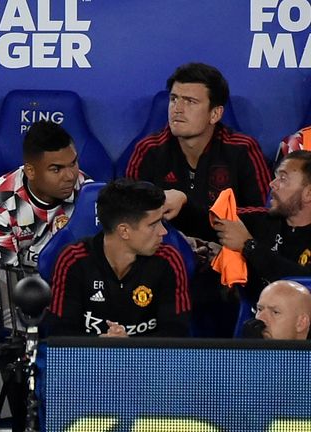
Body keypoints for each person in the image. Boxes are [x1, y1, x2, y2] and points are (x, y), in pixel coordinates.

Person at [0, 120, 90, 426]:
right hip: (17, 281)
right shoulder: (0, 200)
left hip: (66, 286)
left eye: (73, 163)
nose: (70, 175)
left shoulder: (86, 192)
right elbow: (8, 274)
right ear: (30, 171)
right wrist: (23, 338)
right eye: (56, 169)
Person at [126, 63, 271, 241]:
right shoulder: (148, 150)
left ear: (215, 114)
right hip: (164, 253)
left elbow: (265, 217)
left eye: (190, 102)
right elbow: (127, 216)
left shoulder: (243, 149)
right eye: (173, 99)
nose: (177, 109)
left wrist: (189, 206)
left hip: (228, 255)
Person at [48, 179, 191, 337]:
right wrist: (99, 345)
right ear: (124, 231)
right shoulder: (73, 260)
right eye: (153, 224)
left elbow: (177, 333)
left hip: (147, 361)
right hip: (89, 360)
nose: (163, 232)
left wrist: (128, 347)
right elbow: (59, 333)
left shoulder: (169, 260)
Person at [213, 150, 311, 302]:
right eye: (276, 176)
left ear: (308, 193)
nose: (272, 184)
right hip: (257, 319)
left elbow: (303, 281)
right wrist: (182, 203)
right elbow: (208, 220)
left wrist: (249, 246)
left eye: (283, 178)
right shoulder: (262, 219)